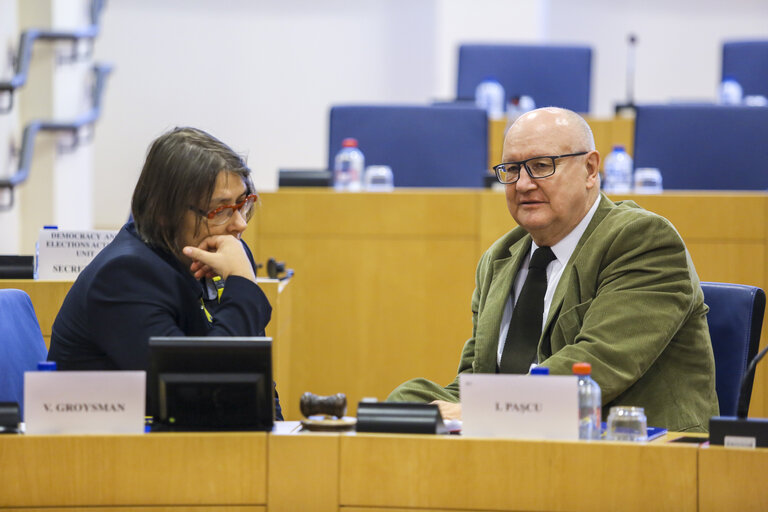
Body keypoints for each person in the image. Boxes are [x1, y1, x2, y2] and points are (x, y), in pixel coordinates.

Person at [388, 107, 718, 432]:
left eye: (541, 166)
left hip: (630, 450)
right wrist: (424, 410)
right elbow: (475, 381)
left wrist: (480, 408)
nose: (523, 184)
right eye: (512, 169)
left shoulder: (641, 241)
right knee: (402, 404)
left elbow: (595, 364)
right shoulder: (499, 258)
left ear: (590, 169)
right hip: (519, 442)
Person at [48, 127, 282, 420]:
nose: (239, 224)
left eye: (243, 204)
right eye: (220, 210)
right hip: (107, 454)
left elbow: (256, 379)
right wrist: (244, 287)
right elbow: (204, 390)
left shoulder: (223, 254)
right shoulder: (125, 276)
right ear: (164, 214)